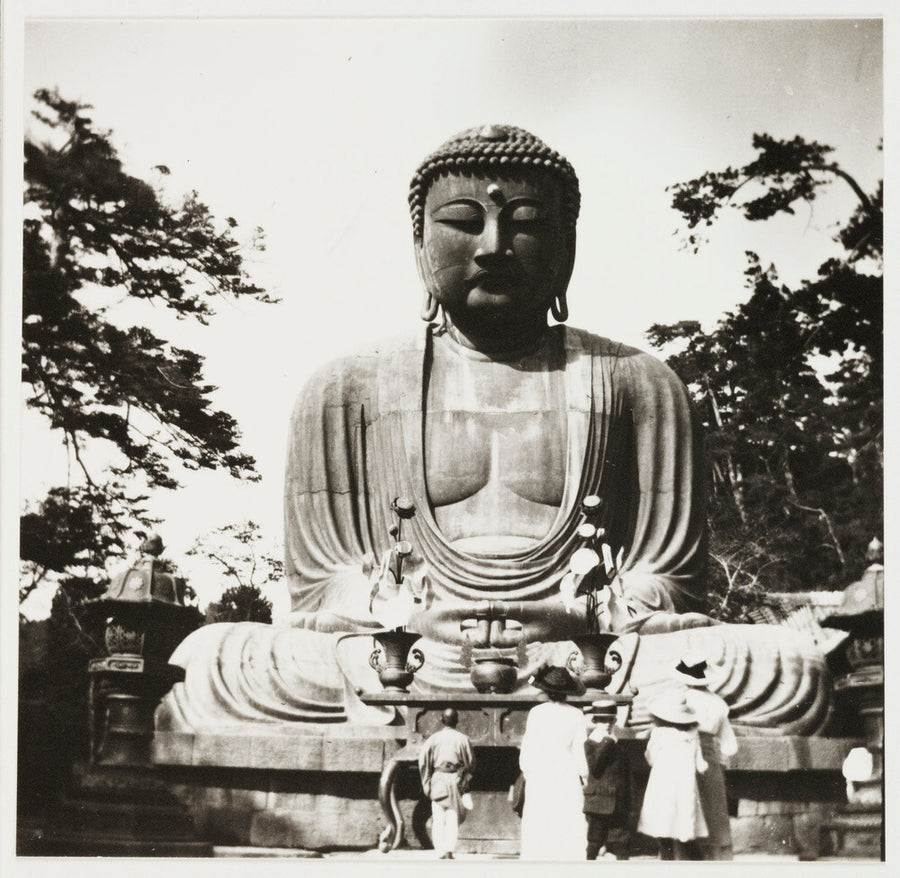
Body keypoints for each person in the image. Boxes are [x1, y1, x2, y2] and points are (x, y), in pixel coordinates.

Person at [160, 125, 832, 737]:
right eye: (462, 221)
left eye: (526, 224)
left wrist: (570, 614)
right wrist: (411, 615)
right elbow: (323, 586)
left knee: (778, 663)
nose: (493, 247)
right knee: (217, 660)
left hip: (585, 651)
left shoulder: (639, 383)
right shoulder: (344, 389)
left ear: (567, 246)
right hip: (407, 652)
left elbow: (668, 582)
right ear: (420, 243)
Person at [518, 665, 588, 860]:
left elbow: (528, 747)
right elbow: (580, 749)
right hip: (566, 771)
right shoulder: (576, 714)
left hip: (540, 772)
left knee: (540, 817)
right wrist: (584, 775)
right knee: (567, 817)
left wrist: (528, 771)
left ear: (546, 691)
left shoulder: (536, 713)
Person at [674, 651, 738, 860]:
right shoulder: (718, 703)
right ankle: (716, 857)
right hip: (710, 756)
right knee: (713, 809)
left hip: (684, 752)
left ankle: (684, 858)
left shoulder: (683, 699)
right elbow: (729, 744)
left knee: (685, 807)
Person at [637, 691, 708, 860]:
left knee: (663, 822)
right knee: (684, 825)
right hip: (686, 784)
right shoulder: (693, 734)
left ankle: (667, 859)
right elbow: (700, 764)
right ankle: (698, 861)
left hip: (663, 781)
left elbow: (651, 757)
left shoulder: (659, 734)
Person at [418, 708, 474, 859]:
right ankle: (449, 850)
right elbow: (470, 763)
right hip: (455, 779)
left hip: (437, 778)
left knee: (438, 817)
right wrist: (464, 777)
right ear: (457, 720)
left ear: (442, 720)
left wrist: (426, 782)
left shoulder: (433, 739)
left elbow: (423, 761)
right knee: (452, 816)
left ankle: (440, 850)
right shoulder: (463, 739)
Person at [582, 699, 632, 860]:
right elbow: (595, 767)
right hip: (599, 802)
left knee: (620, 842)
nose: (607, 724)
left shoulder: (617, 743)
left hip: (618, 802)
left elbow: (625, 774)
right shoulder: (591, 743)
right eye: (602, 720)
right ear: (595, 721)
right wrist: (607, 741)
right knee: (594, 841)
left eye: (610, 720)